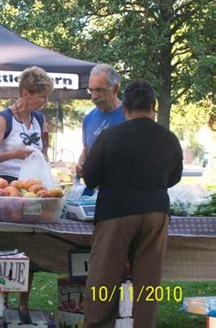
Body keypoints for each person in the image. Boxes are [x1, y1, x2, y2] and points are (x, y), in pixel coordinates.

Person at [82, 80, 183, 328]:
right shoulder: (169, 139)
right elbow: (174, 177)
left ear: (125, 108)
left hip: (116, 212)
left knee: (103, 281)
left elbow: (90, 176)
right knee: (148, 284)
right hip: (156, 213)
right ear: (153, 107)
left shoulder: (110, 136)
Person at [0, 66, 54, 312]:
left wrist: (42, 157)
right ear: (26, 92)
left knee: (29, 244)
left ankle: (23, 303)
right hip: (8, 187)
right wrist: (16, 154)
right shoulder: (5, 118)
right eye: (41, 95)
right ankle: (1, 300)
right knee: (8, 245)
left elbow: (43, 150)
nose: (45, 101)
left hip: (32, 188)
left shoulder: (39, 118)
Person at [76, 64, 126, 177]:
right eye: (91, 90)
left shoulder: (129, 116)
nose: (94, 96)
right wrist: (81, 164)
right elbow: (86, 150)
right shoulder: (88, 119)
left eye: (99, 90)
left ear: (115, 89)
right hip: (94, 190)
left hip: (121, 189)